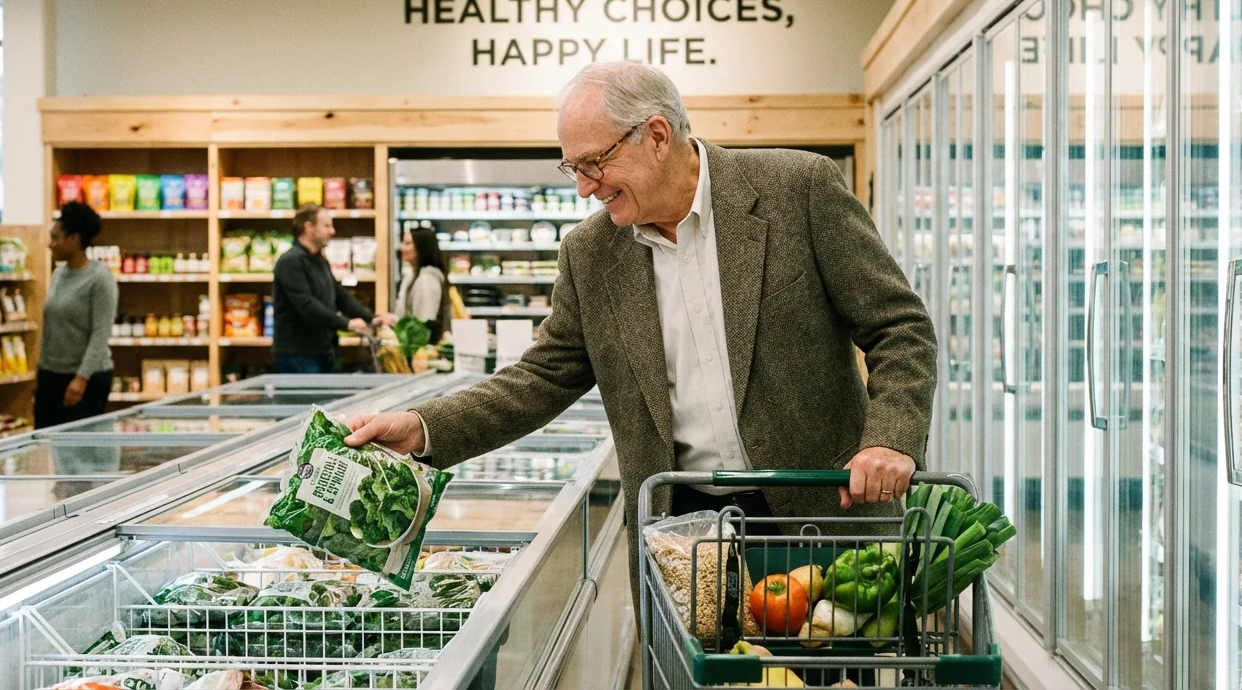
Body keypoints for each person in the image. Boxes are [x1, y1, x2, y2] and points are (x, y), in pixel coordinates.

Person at [345, 61, 936, 586]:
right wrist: (423, 427)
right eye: (570, 168)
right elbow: (540, 379)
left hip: (815, 511)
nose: (583, 187)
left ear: (656, 135)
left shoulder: (795, 190)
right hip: (680, 530)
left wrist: (889, 438)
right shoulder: (591, 252)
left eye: (593, 163)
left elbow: (898, 326)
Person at [272, 205, 397, 373]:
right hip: (298, 355)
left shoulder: (319, 260)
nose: (332, 231)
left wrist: (372, 318)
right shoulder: (291, 262)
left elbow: (340, 296)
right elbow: (306, 305)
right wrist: (346, 323)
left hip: (323, 350)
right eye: (326, 226)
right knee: (309, 400)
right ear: (308, 227)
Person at [38, 201, 118, 427]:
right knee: (44, 447)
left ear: (73, 239)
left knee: (77, 456)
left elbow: (101, 334)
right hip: (51, 374)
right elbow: (50, 326)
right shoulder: (59, 274)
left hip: (86, 379)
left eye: (55, 238)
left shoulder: (100, 278)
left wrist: (81, 379)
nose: (50, 244)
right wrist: (42, 371)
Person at [395, 226, 448, 339]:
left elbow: (424, 323)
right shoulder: (413, 277)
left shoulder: (427, 281)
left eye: (408, 243)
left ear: (422, 247)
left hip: (424, 351)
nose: (402, 248)